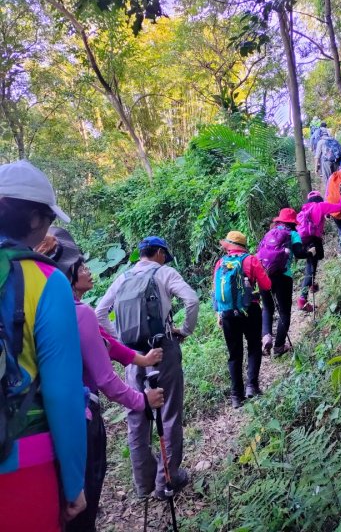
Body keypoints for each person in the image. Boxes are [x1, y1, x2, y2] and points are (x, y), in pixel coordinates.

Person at [37, 228, 165, 532]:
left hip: (41, 425)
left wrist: (141, 359)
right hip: (81, 421)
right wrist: (141, 400)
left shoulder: (40, 307)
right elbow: (106, 380)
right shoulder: (78, 313)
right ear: (67, 271)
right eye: (81, 266)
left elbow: (106, 342)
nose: (87, 270)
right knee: (83, 510)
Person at [0, 160, 87, 532]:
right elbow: (62, 393)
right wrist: (74, 485)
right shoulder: (45, 280)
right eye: (50, 218)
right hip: (21, 459)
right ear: (35, 219)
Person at [96, 236, 199, 501]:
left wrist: (121, 343)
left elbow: (99, 312)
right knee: (169, 412)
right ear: (159, 253)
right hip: (162, 349)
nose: (165, 258)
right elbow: (191, 300)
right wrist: (184, 330)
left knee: (137, 415)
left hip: (133, 355)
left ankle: (143, 483)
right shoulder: (165, 272)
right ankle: (168, 479)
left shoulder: (123, 277)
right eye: (165, 254)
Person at [213, 231, 271, 409]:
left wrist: (218, 313)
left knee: (234, 354)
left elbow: (215, 290)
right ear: (243, 246)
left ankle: (236, 396)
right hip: (250, 309)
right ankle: (252, 386)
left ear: (229, 246)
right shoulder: (250, 260)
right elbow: (267, 285)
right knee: (254, 347)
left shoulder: (220, 263)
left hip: (227, 313)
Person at [259, 208, 316, 357]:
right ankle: (278, 347)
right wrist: (310, 252)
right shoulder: (293, 234)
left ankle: (266, 336)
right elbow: (299, 253)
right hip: (283, 276)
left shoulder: (268, 234)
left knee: (267, 308)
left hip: (264, 274)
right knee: (284, 312)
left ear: (279, 220)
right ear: (292, 222)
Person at [296, 188, 341, 312]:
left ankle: (312, 285)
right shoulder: (321, 206)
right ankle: (302, 299)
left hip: (302, 241)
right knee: (311, 269)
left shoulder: (304, 210)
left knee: (311, 263)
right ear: (319, 199)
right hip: (313, 240)